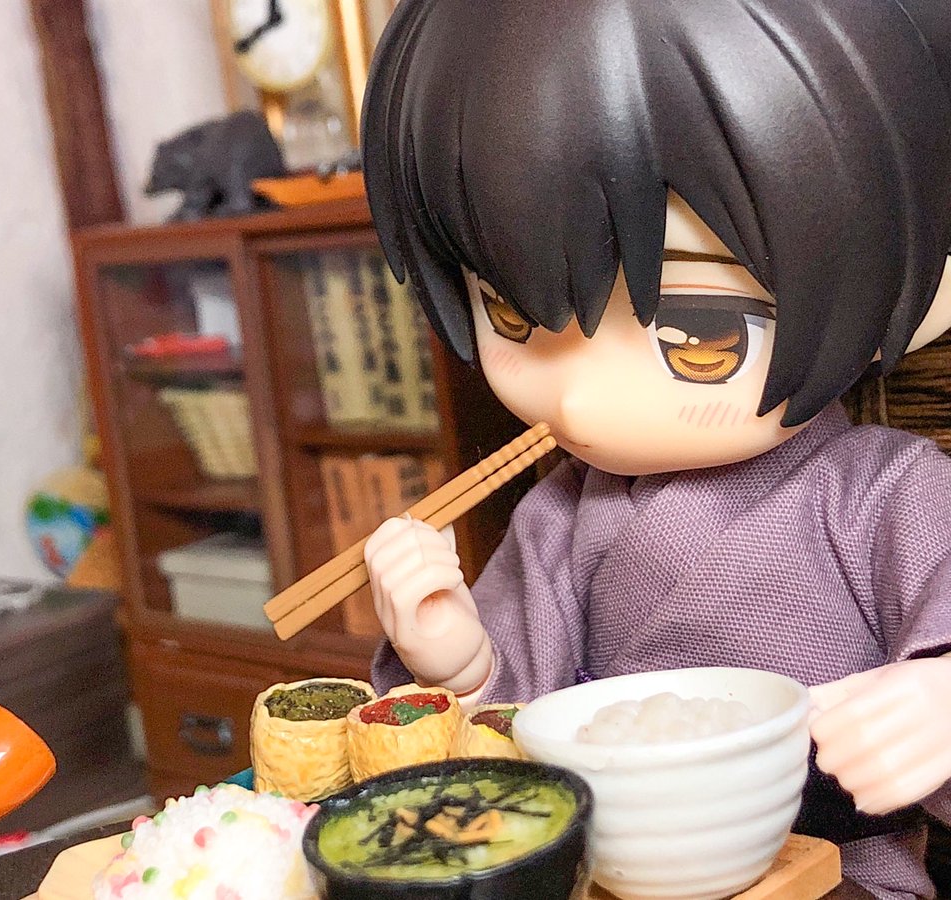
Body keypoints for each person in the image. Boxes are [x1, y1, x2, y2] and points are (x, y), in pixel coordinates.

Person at [359, 2, 951, 897]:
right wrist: (459, 660)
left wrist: (936, 703)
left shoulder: (885, 491)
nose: (580, 398)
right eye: (511, 314)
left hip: (830, 870)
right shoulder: (565, 511)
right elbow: (513, 726)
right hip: (612, 869)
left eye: (702, 335)